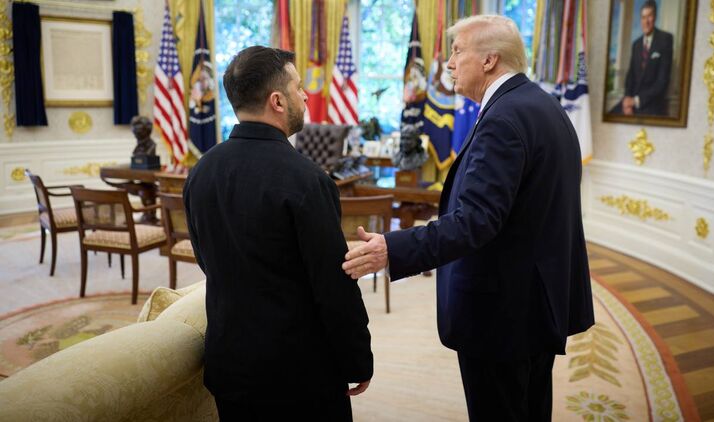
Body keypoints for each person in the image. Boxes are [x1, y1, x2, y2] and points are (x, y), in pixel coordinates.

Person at [342, 15, 594, 421]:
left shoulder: (503, 120)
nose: (449, 63)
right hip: (535, 302)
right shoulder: (541, 105)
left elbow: (475, 221)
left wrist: (393, 248)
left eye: (458, 51)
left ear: (490, 59)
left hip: (503, 312)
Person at [183, 46, 373, 421]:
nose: (305, 95)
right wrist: (357, 359)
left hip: (229, 364)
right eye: (298, 87)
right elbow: (332, 286)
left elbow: (207, 260)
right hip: (299, 374)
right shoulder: (307, 179)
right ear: (277, 101)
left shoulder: (201, 171)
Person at [617, 0, 673, 116]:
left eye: (649, 16)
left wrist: (636, 101)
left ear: (655, 17)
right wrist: (627, 99)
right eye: (643, 17)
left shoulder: (665, 40)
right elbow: (631, 76)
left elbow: (662, 82)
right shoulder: (636, 44)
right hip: (632, 103)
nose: (646, 22)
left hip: (652, 105)